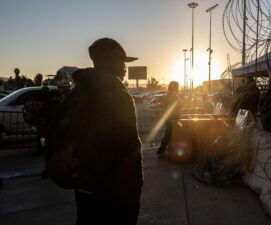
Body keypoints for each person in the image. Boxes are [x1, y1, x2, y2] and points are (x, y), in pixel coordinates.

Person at [45, 38, 143, 225]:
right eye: (122, 62)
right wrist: (132, 194)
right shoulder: (118, 96)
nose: (124, 68)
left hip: (83, 183)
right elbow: (128, 152)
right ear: (111, 63)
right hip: (113, 190)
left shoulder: (77, 93)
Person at [157, 81, 180, 155]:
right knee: (169, 134)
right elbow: (175, 106)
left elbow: (164, 105)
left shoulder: (168, 95)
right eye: (177, 87)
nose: (177, 88)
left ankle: (165, 148)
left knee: (169, 133)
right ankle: (162, 149)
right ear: (174, 87)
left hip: (169, 118)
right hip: (172, 118)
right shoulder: (173, 96)